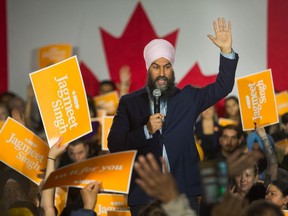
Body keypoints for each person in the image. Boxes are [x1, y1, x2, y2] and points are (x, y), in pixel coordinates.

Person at [108, 17, 239, 215]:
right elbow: (114, 143)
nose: (162, 73)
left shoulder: (188, 98)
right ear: (148, 69)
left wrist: (226, 52)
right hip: (144, 195)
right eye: (156, 67)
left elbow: (223, 86)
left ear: (172, 68)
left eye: (167, 66)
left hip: (183, 193)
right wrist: (146, 130)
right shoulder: (130, 102)